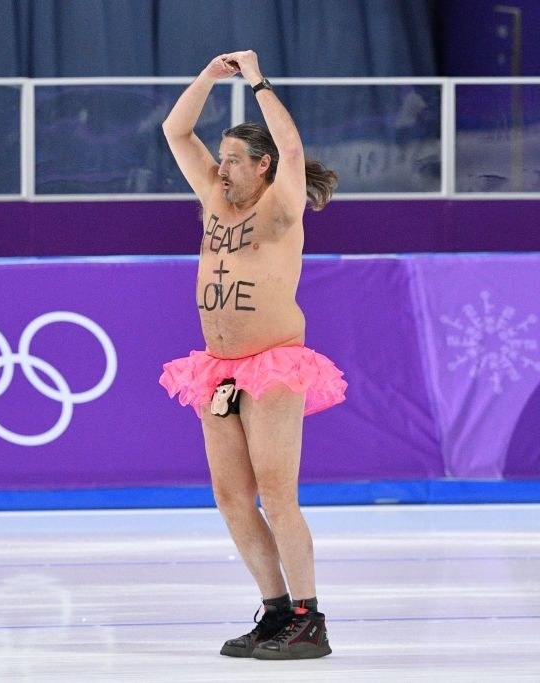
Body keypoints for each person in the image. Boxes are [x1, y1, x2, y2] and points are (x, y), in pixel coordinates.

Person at [159, 50, 347, 660]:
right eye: (223, 159)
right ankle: (273, 611)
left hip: (273, 365)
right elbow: (175, 131)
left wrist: (258, 80)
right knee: (232, 497)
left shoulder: (281, 207)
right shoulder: (214, 197)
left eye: (235, 159)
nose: (223, 168)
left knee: (277, 493)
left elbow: (292, 149)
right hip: (217, 370)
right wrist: (209, 78)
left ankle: (308, 618)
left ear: (263, 166)